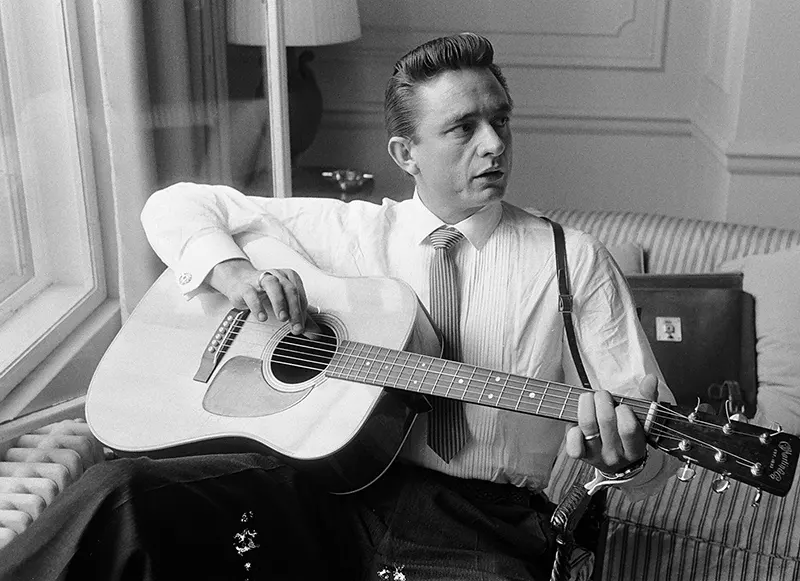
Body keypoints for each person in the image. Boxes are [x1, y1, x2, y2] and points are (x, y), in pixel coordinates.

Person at [0, 33, 676, 581]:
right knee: (119, 496)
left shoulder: (573, 259)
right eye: (464, 128)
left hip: (478, 523)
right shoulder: (351, 232)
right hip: (319, 489)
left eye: (500, 120)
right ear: (405, 153)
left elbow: (656, 452)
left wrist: (622, 459)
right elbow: (175, 204)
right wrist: (235, 274)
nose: (495, 143)